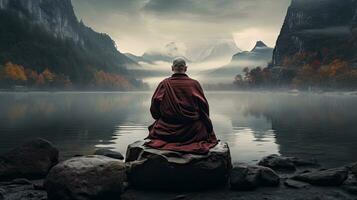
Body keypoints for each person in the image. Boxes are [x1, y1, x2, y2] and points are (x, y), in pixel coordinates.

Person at [145, 58, 218, 154]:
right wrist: (207, 125)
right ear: (186, 68)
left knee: (156, 126)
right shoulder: (194, 84)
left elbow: (154, 107)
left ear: (172, 68)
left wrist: (161, 118)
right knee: (202, 126)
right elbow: (203, 109)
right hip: (192, 131)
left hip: (166, 130)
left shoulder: (164, 84)